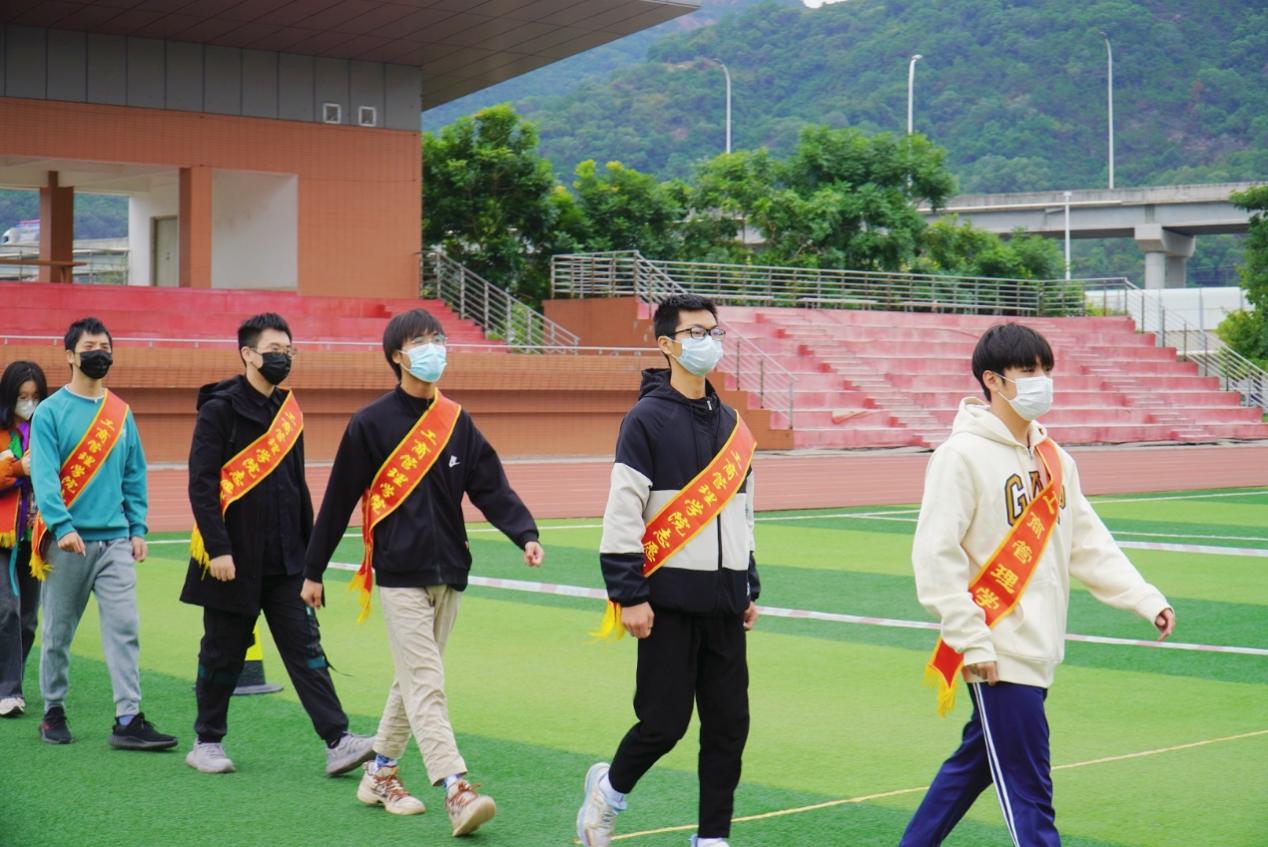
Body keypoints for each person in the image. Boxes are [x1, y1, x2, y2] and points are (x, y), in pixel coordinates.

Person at [899, 322, 1176, 847]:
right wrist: (972, 638)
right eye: (1028, 370)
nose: (1041, 381)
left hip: (1039, 644)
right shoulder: (959, 456)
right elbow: (936, 556)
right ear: (992, 380)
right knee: (1030, 792)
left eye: (1045, 369)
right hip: (998, 647)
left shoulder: (1055, 458)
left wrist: (1143, 597)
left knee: (974, 767)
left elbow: (1087, 541)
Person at [301, 308, 545, 837]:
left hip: (449, 569)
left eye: (438, 339)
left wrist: (524, 532)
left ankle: (380, 773)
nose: (434, 349)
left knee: (413, 680)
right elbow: (338, 499)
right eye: (421, 341)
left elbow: (489, 484)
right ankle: (456, 788)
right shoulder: (369, 424)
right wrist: (313, 570)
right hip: (398, 572)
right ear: (398, 356)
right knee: (427, 681)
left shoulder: (456, 421)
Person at [577, 294, 760, 847]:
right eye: (695, 333)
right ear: (667, 345)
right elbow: (622, 512)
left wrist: (748, 583)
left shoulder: (733, 425)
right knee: (663, 723)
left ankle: (712, 838)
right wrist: (629, 594)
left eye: (714, 332)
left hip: (725, 603)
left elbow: (744, 514)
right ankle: (608, 791)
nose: (709, 342)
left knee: (729, 726)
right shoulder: (646, 420)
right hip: (667, 603)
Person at [180, 313, 375, 775]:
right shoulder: (220, 410)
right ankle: (207, 741)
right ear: (248, 354)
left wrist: (311, 565)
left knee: (307, 650)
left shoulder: (288, 410)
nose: (283, 358)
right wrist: (219, 548)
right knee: (222, 652)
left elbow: (296, 486)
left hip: (287, 560)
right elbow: (202, 484)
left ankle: (338, 740)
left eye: (288, 350)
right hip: (232, 559)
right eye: (274, 350)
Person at [29, 317, 176, 749]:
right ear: (70, 355)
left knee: (124, 626)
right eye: (90, 347)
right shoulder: (50, 412)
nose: (99, 354)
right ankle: (53, 711)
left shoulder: (120, 413)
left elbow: (134, 473)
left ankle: (128, 718)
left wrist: (138, 528)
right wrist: (62, 526)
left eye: (105, 347)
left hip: (115, 542)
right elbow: (45, 475)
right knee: (58, 632)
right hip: (67, 543)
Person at [0, 360, 49, 717]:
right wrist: (18, 468)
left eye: (34, 397)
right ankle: (9, 690)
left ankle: (9, 679)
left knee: (29, 619)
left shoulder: (47, 430)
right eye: (22, 396)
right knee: (7, 609)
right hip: (2, 536)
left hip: (34, 538)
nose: (28, 403)